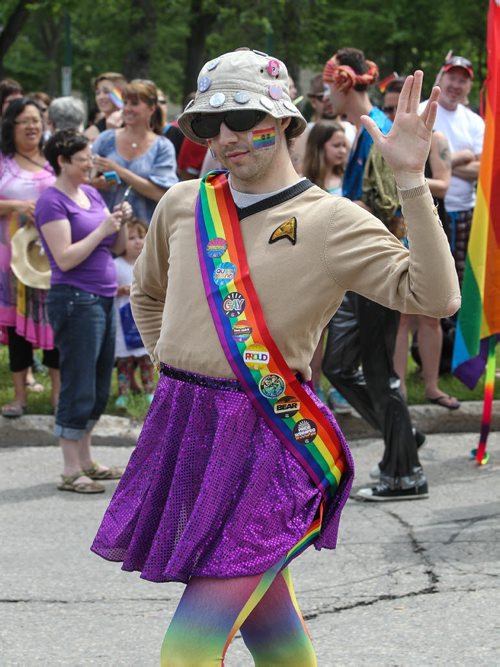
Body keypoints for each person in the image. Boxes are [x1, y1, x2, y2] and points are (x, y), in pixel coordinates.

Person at [91, 48, 459, 664]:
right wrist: (176, 360)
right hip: (186, 428)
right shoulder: (185, 204)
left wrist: (412, 181)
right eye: (208, 125)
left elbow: (437, 296)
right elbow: (147, 290)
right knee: (274, 635)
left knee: (186, 654)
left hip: (271, 442)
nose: (226, 137)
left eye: (241, 117)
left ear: (285, 119)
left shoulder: (330, 220)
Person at [321, 47, 435, 500]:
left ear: (345, 82)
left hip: (379, 266)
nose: (326, 92)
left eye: (329, 83)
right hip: (363, 268)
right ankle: (401, 431)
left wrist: (333, 208)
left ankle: (404, 474)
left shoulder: (377, 133)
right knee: (338, 365)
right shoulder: (363, 134)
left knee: (377, 371)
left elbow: (388, 210)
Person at [35, 129, 130, 494]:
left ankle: (87, 459)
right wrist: (103, 227)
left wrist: (117, 223)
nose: (90, 164)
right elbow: (66, 257)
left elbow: (116, 249)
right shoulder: (51, 202)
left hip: (103, 297)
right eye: (83, 159)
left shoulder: (90, 193)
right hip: (75, 299)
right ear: (62, 160)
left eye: (90, 158)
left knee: (97, 383)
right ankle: (71, 468)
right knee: (77, 381)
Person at [387, 79, 460, 410]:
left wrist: (408, 171)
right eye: (389, 108)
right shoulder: (385, 139)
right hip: (395, 229)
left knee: (432, 314)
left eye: (399, 105)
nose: (394, 112)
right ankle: (399, 386)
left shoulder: (437, 139)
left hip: (429, 227)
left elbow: (444, 185)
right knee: (401, 314)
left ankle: (431, 386)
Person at [0, 97, 59, 418]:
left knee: (55, 324)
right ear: (11, 126)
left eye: (37, 119)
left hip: (51, 257)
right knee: (16, 329)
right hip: (10, 259)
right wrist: (17, 207)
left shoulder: (53, 161)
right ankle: (19, 396)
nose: (32, 126)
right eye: (24, 120)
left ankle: (58, 398)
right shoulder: (3, 161)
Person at [419, 55, 484, 285]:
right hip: (427, 209)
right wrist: (463, 157)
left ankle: (454, 322)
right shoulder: (421, 112)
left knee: (462, 275)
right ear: (441, 76)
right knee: (432, 278)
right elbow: (413, 160)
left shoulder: (474, 122)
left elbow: (481, 169)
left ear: (469, 86)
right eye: (452, 77)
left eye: (462, 81)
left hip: (465, 209)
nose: (456, 85)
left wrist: (442, 166)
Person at [302, 120, 352, 414]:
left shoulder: (351, 179)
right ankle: (314, 382)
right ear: (320, 148)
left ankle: (340, 387)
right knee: (315, 330)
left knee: (344, 330)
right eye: (336, 145)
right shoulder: (304, 183)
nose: (343, 151)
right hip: (314, 266)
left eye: (345, 145)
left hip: (346, 266)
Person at [92, 79, 178, 223]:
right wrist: (97, 183)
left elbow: (162, 195)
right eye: (125, 103)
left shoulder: (162, 147)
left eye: (135, 104)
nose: (127, 108)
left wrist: (119, 171)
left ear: (151, 109)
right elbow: (83, 181)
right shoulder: (106, 139)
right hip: (106, 229)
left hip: (144, 232)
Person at [114, 218, 155, 408]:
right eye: (131, 238)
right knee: (124, 360)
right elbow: (108, 289)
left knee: (146, 358)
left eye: (141, 236)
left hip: (144, 318)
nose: (137, 241)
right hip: (123, 320)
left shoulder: (150, 263)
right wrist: (120, 290)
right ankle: (123, 392)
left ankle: (149, 390)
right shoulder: (115, 265)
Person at [84, 72, 126, 142]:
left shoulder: (135, 126)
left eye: (106, 92)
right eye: (97, 93)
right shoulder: (91, 134)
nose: (101, 97)